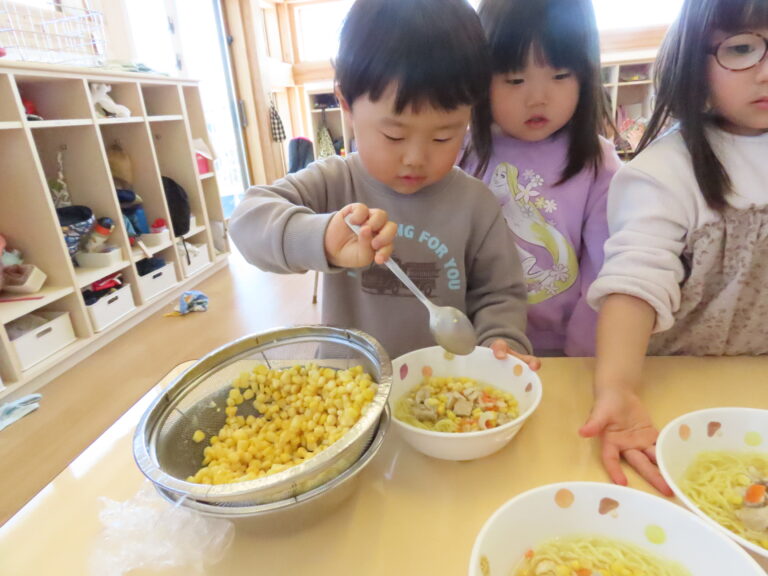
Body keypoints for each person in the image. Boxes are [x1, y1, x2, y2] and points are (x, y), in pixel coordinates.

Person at [229, 0, 537, 366]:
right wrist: (321, 238)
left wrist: (500, 340)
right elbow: (246, 221)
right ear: (346, 104)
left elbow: (500, 295)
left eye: (443, 137)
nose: (415, 158)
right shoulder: (333, 181)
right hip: (346, 383)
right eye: (394, 135)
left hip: (445, 384)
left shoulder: (475, 204)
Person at [581, 0, 768, 495]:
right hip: (673, 387)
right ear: (694, 63)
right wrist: (617, 388)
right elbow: (635, 281)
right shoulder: (665, 172)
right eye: (743, 48)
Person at [460, 0, 621, 357]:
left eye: (560, 75)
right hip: (479, 352)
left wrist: (582, 357)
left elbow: (604, 272)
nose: (538, 99)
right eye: (515, 80)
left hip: (566, 352)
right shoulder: (458, 152)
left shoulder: (599, 163)